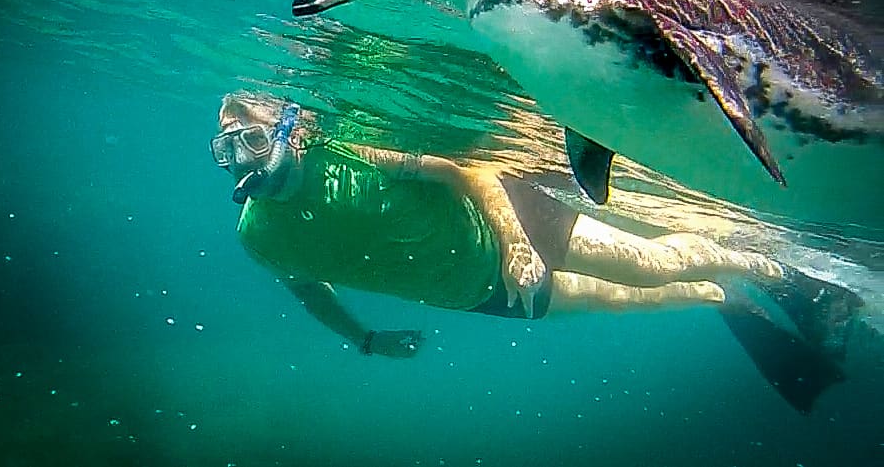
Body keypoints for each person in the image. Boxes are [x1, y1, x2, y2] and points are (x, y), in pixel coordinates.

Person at [210, 90, 783, 359]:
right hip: (478, 291)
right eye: (226, 150)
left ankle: (766, 264)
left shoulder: (351, 154)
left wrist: (515, 246)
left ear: (293, 135)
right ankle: (717, 290)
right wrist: (364, 339)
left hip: (507, 225)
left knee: (652, 265)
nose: (242, 160)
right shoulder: (257, 236)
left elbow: (469, 173)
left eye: (253, 141)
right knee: (626, 300)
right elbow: (310, 291)